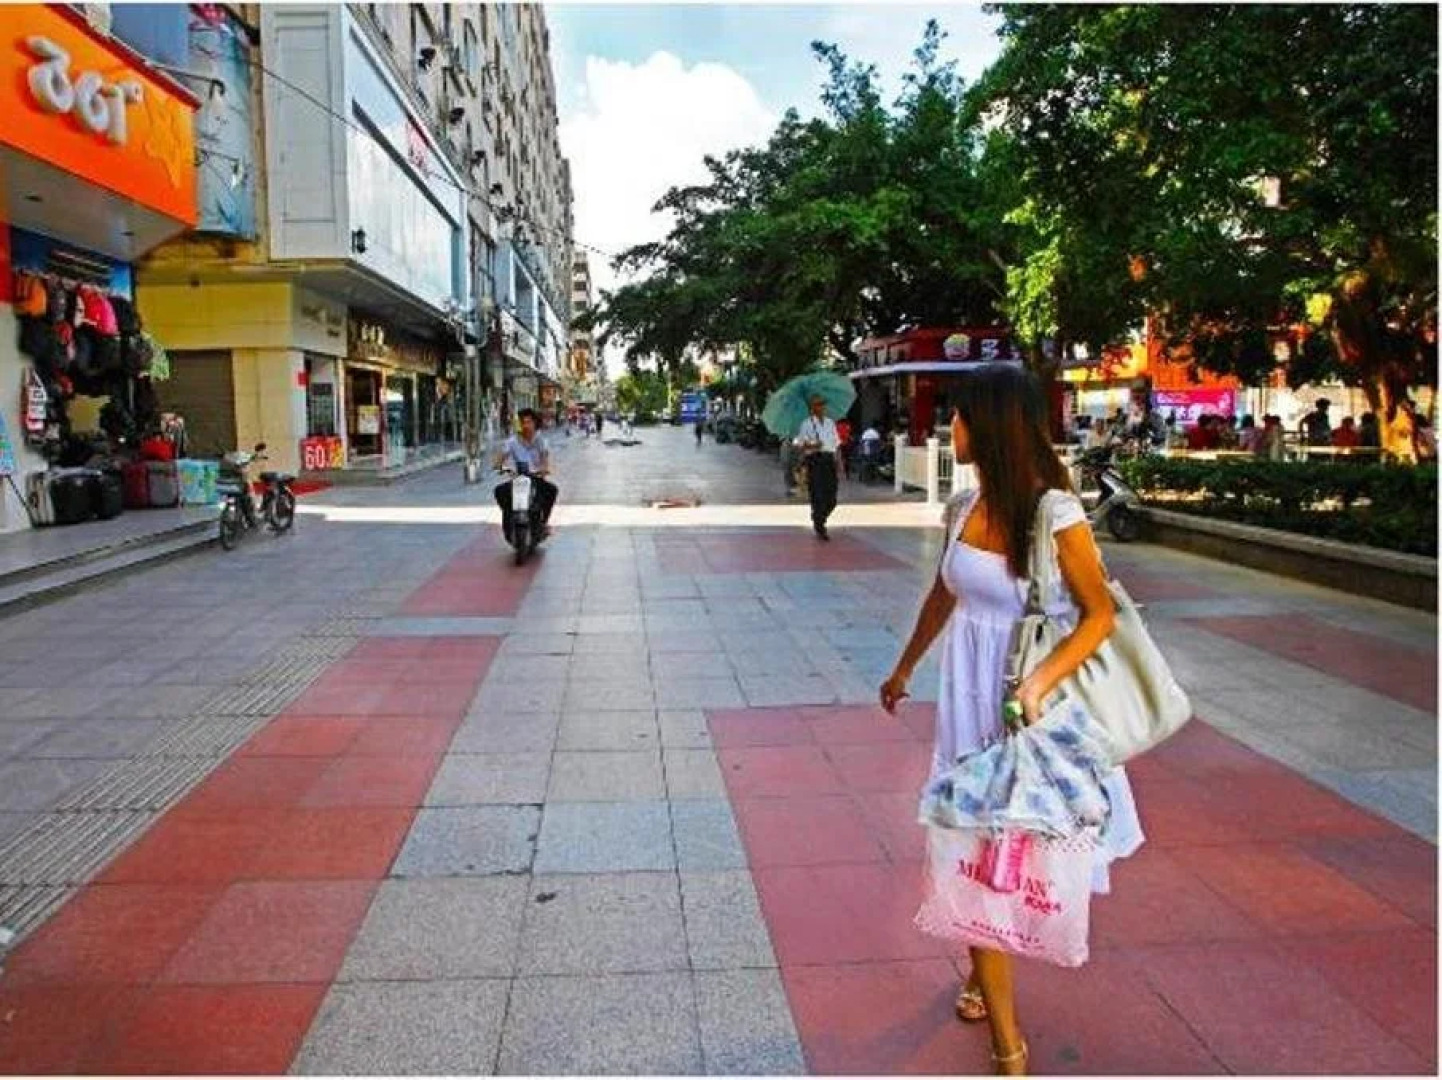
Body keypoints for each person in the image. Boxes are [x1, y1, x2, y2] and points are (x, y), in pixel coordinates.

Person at [879, 365, 1143, 1075]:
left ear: (990, 424)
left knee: (1007, 853)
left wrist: (1039, 683)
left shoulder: (1056, 513)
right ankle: (998, 1017)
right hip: (967, 703)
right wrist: (904, 668)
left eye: (960, 415)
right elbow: (945, 593)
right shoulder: (963, 506)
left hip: (1032, 713)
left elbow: (1100, 615)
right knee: (972, 849)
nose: (951, 427)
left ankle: (1005, 1042)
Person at [493, 407, 557, 536]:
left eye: (529, 422)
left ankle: (543, 523)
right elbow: (500, 459)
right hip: (518, 478)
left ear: (535, 423)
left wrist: (544, 469)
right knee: (500, 491)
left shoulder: (541, 441)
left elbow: (544, 459)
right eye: (523, 422)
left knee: (552, 490)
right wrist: (499, 466)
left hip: (535, 478)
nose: (526, 426)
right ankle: (508, 519)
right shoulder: (512, 441)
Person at [795, 395, 841, 540]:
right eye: (817, 404)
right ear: (812, 407)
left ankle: (818, 516)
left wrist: (839, 462)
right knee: (818, 493)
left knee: (832, 497)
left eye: (822, 404)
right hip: (815, 460)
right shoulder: (806, 424)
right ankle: (820, 524)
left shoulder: (830, 423)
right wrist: (813, 445)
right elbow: (800, 444)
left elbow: (836, 444)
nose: (820, 407)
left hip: (829, 460)